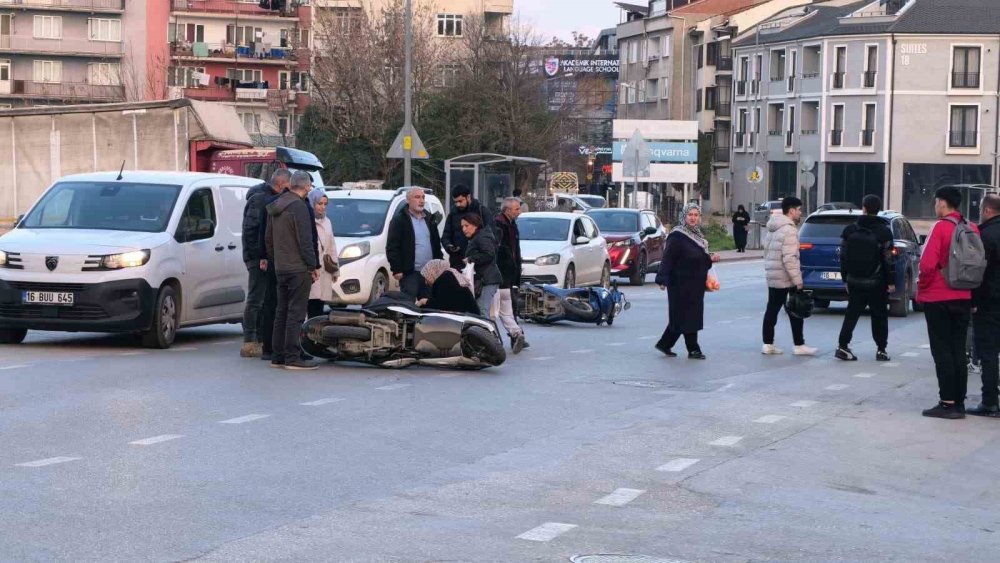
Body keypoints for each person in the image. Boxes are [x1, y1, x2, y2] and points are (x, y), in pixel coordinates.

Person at [918, 186, 980, 419]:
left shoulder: (941, 227)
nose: (935, 206)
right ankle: (959, 403)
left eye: (936, 203)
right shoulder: (971, 227)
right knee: (958, 350)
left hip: (938, 297)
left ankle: (947, 402)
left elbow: (926, 265)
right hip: (964, 296)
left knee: (942, 350)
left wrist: (922, 288)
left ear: (942, 203)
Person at [264, 171, 320, 371]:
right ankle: (292, 356)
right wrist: (312, 266)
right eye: (309, 187)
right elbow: (305, 241)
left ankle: (277, 355)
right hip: (298, 268)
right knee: (296, 313)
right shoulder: (299, 207)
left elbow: (268, 239)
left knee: (282, 312)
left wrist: (275, 260)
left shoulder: (276, 205)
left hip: (281, 267)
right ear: (305, 187)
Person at [654, 203, 720, 360]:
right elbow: (667, 258)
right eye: (690, 215)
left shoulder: (698, 236)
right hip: (679, 283)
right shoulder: (677, 236)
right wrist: (663, 279)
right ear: (684, 216)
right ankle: (693, 349)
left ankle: (665, 343)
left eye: (696, 215)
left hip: (695, 284)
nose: (693, 218)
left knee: (685, 316)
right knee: (685, 315)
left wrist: (710, 258)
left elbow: (700, 259)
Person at [835, 194, 895, 362]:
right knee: (879, 315)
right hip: (878, 281)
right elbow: (888, 258)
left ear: (864, 208)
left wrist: (845, 278)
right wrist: (890, 281)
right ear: (879, 210)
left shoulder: (850, 230)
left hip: (854, 280)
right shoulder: (884, 232)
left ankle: (842, 346)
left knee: (851, 314)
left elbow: (843, 257)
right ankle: (881, 349)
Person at [240, 169, 291, 358]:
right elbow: (251, 230)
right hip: (258, 258)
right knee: (256, 298)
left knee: (266, 299)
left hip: (266, 257)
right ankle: (250, 340)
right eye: (288, 186)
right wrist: (259, 257)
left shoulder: (266, 198)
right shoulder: (260, 200)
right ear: (281, 184)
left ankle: (261, 338)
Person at [762, 196, 817, 356]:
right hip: (786, 276)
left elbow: (766, 251)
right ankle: (799, 344)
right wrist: (797, 280)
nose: (800, 213)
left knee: (771, 309)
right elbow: (790, 257)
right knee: (796, 309)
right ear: (792, 211)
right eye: (799, 210)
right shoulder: (790, 230)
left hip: (773, 274)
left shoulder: (773, 227)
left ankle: (767, 343)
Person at [970, 194, 1000, 417]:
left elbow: (979, 272)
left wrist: (973, 301)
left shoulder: (985, 235)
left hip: (990, 302)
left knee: (988, 353)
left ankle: (990, 401)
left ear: (988, 210)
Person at [386, 187, 443, 299]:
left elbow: (436, 244)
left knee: (429, 306)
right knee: (409, 306)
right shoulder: (400, 220)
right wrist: (396, 269)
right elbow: (392, 247)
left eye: (423, 197)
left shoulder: (430, 219)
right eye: (417, 197)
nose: (421, 200)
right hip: (410, 274)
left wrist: (438, 266)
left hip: (429, 274)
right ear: (408, 200)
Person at [494, 197, 527, 354]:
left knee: (501, 310)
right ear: (507, 210)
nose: (519, 212)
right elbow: (500, 252)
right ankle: (516, 333)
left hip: (506, 276)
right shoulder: (499, 225)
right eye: (516, 209)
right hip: (500, 274)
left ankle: (514, 335)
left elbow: (515, 251)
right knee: (503, 310)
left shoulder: (512, 224)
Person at [442, 185, 492, 269]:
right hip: (458, 262)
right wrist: (449, 246)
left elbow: (492, 236)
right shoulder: (453, 214)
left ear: (468, 197)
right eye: (455, 202)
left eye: (460, 201)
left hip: (479, 265)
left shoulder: (481, 211)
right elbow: (446, 236)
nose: (458, 204)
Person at [461, 213, 502, 316]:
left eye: (466, 226)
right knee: (481, 311)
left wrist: (470, 259)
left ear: (475, 225)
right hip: (484, 279)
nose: (464, 229)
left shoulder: (482, 237)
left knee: (483, 311)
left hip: (487, 280)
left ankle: (485, 332)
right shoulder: (478, 236)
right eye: (462, 226)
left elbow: (489, 254)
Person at [307, 188, 338, 319]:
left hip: (324, 269)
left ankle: (315, 336)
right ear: (312, 203)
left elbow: (332, 246)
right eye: (319, 204)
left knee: (319, 305)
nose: (323, 207)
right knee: (310, 303)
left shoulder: (328, 221)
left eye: (325, 204)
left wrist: (335, 270)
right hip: (312, 269)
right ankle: (307, 336)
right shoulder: (306, 220)